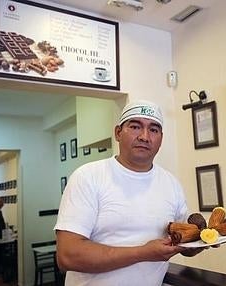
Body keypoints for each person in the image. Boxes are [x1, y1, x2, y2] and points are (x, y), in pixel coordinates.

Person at [54, 100, 204, 285]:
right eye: (135, 126)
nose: (144, 136)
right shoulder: (88, 177)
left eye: (154, 130)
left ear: (161, 138)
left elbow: (182, 242)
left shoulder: (171, 184)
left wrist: (202, 242)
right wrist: (142, 253)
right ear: (118, 133)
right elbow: (68, 256)